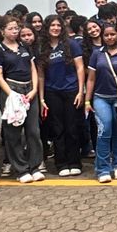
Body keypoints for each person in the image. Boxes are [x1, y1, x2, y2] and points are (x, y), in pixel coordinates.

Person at [0, 17, 43, 183]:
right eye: (11, 28)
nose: (15, 31)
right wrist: (11, 93)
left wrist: (34, 89)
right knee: (13, 133)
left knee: (33, 131)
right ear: (2, 31)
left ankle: (35, 166)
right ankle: (21, 169)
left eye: (16, 28)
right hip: (11, 90)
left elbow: (33, 69)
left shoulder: (24, 46)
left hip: (29, 90)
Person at [37, 14, 86, 177]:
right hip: (52, 92)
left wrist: (80, 91)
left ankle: (74, 162)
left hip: (71, 90)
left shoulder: (71, 44)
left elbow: (80, 68)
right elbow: (41, 75)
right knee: (58, 128)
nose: (56, 28)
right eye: (52, 25)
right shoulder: (42, 48)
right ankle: (61, 163)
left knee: (72, 127)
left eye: (58, 25)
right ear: (47, 28)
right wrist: (41, 98)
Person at [85, 22, 117, 183]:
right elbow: (91, 79)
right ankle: (103, 169)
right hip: (100, 98)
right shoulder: (97, 54)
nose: (110, 37)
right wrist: (87, 100)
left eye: (113, 34)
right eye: (106, 35)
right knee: (104, 131)